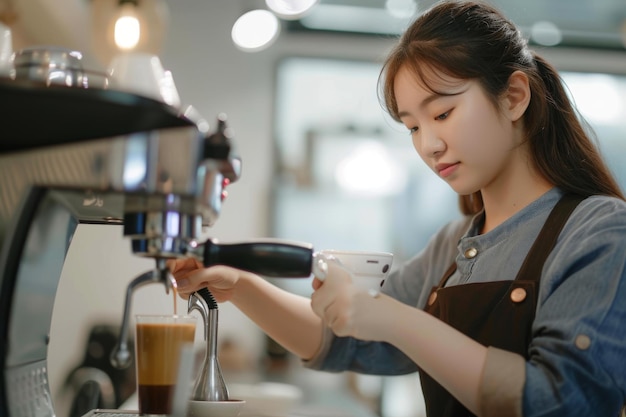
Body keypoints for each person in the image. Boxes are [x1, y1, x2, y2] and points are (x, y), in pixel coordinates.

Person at [168, 1, 626, 416]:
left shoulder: (598, 230)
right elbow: (350, 341)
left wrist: (396, 320)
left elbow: (564, 403)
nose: (429, 145)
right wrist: (241, 286)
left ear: (514, 97)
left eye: (442, 114)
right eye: (412, 127)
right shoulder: (455, 244)